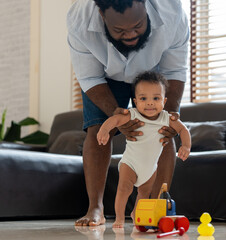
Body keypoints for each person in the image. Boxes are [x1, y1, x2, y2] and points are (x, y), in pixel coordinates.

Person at [67, 0, 189, 226]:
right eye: (120, 30)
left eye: (138, 25)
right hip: (104, 76)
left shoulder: (172, 11)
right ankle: (96, 208)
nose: (131, 34)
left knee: (164, 129)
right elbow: (90, 78)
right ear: (102, 15)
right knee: (97, 129)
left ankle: (155, 207)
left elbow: (175, 69)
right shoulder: (79, 19)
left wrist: (169, 115)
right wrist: (116, 115)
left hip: (154, 70)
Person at [97, 71, 191, 228]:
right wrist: (104, 130)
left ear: (164, 100)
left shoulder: (167, 118)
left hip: (150, 167)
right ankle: (119, 218)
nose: (149, 103)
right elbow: (115, 120)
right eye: (143, 98)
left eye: (156, 98)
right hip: (131, 163)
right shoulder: (133, 115)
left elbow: (183, 130)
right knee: (124, 189)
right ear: (135, 101)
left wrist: (186, 145)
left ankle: (136, 214)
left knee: (144, 194)